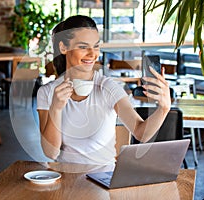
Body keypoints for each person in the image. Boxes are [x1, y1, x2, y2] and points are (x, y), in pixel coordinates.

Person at [37, 15, 171, 166]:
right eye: (82, 46)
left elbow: (141, 133)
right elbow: (51, 153)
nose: (92, 54)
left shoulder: (108, 88)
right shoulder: (47, 92)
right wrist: (55, 108)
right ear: (63, 47)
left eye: (95, 46)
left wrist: (164, 108)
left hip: (102, 179)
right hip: (65, 179)